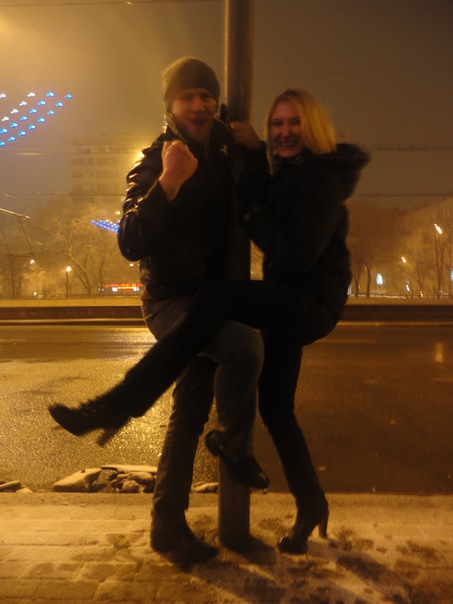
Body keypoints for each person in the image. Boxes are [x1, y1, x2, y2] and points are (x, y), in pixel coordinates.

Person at [49, 87, 369, 554]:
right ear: (169, 105)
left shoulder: (318, 179)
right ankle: (311, 503)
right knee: (276, 407)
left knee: (220, 303)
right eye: (277, 124)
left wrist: (248, 210)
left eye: (294, 123)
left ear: (313, 126)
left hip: (307, 301)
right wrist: (252, 156)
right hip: (281, 297)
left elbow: (293, 254)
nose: (284, 132)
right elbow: (136, 237)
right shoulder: (286, 167)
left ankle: (126, 403)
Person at [51, 57, 268, 562]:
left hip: (213, 298)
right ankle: (235, 449)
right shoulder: (156, 159)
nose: (198, 105)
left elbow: (251, 192)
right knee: (244, 346)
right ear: (170, 107)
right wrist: (167, 183)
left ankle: (166, 526)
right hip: (170, 299)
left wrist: (255, 150)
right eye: (187, 97)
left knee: (189, 412)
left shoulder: (222, 144)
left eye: (206, 96)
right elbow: (129, 240)